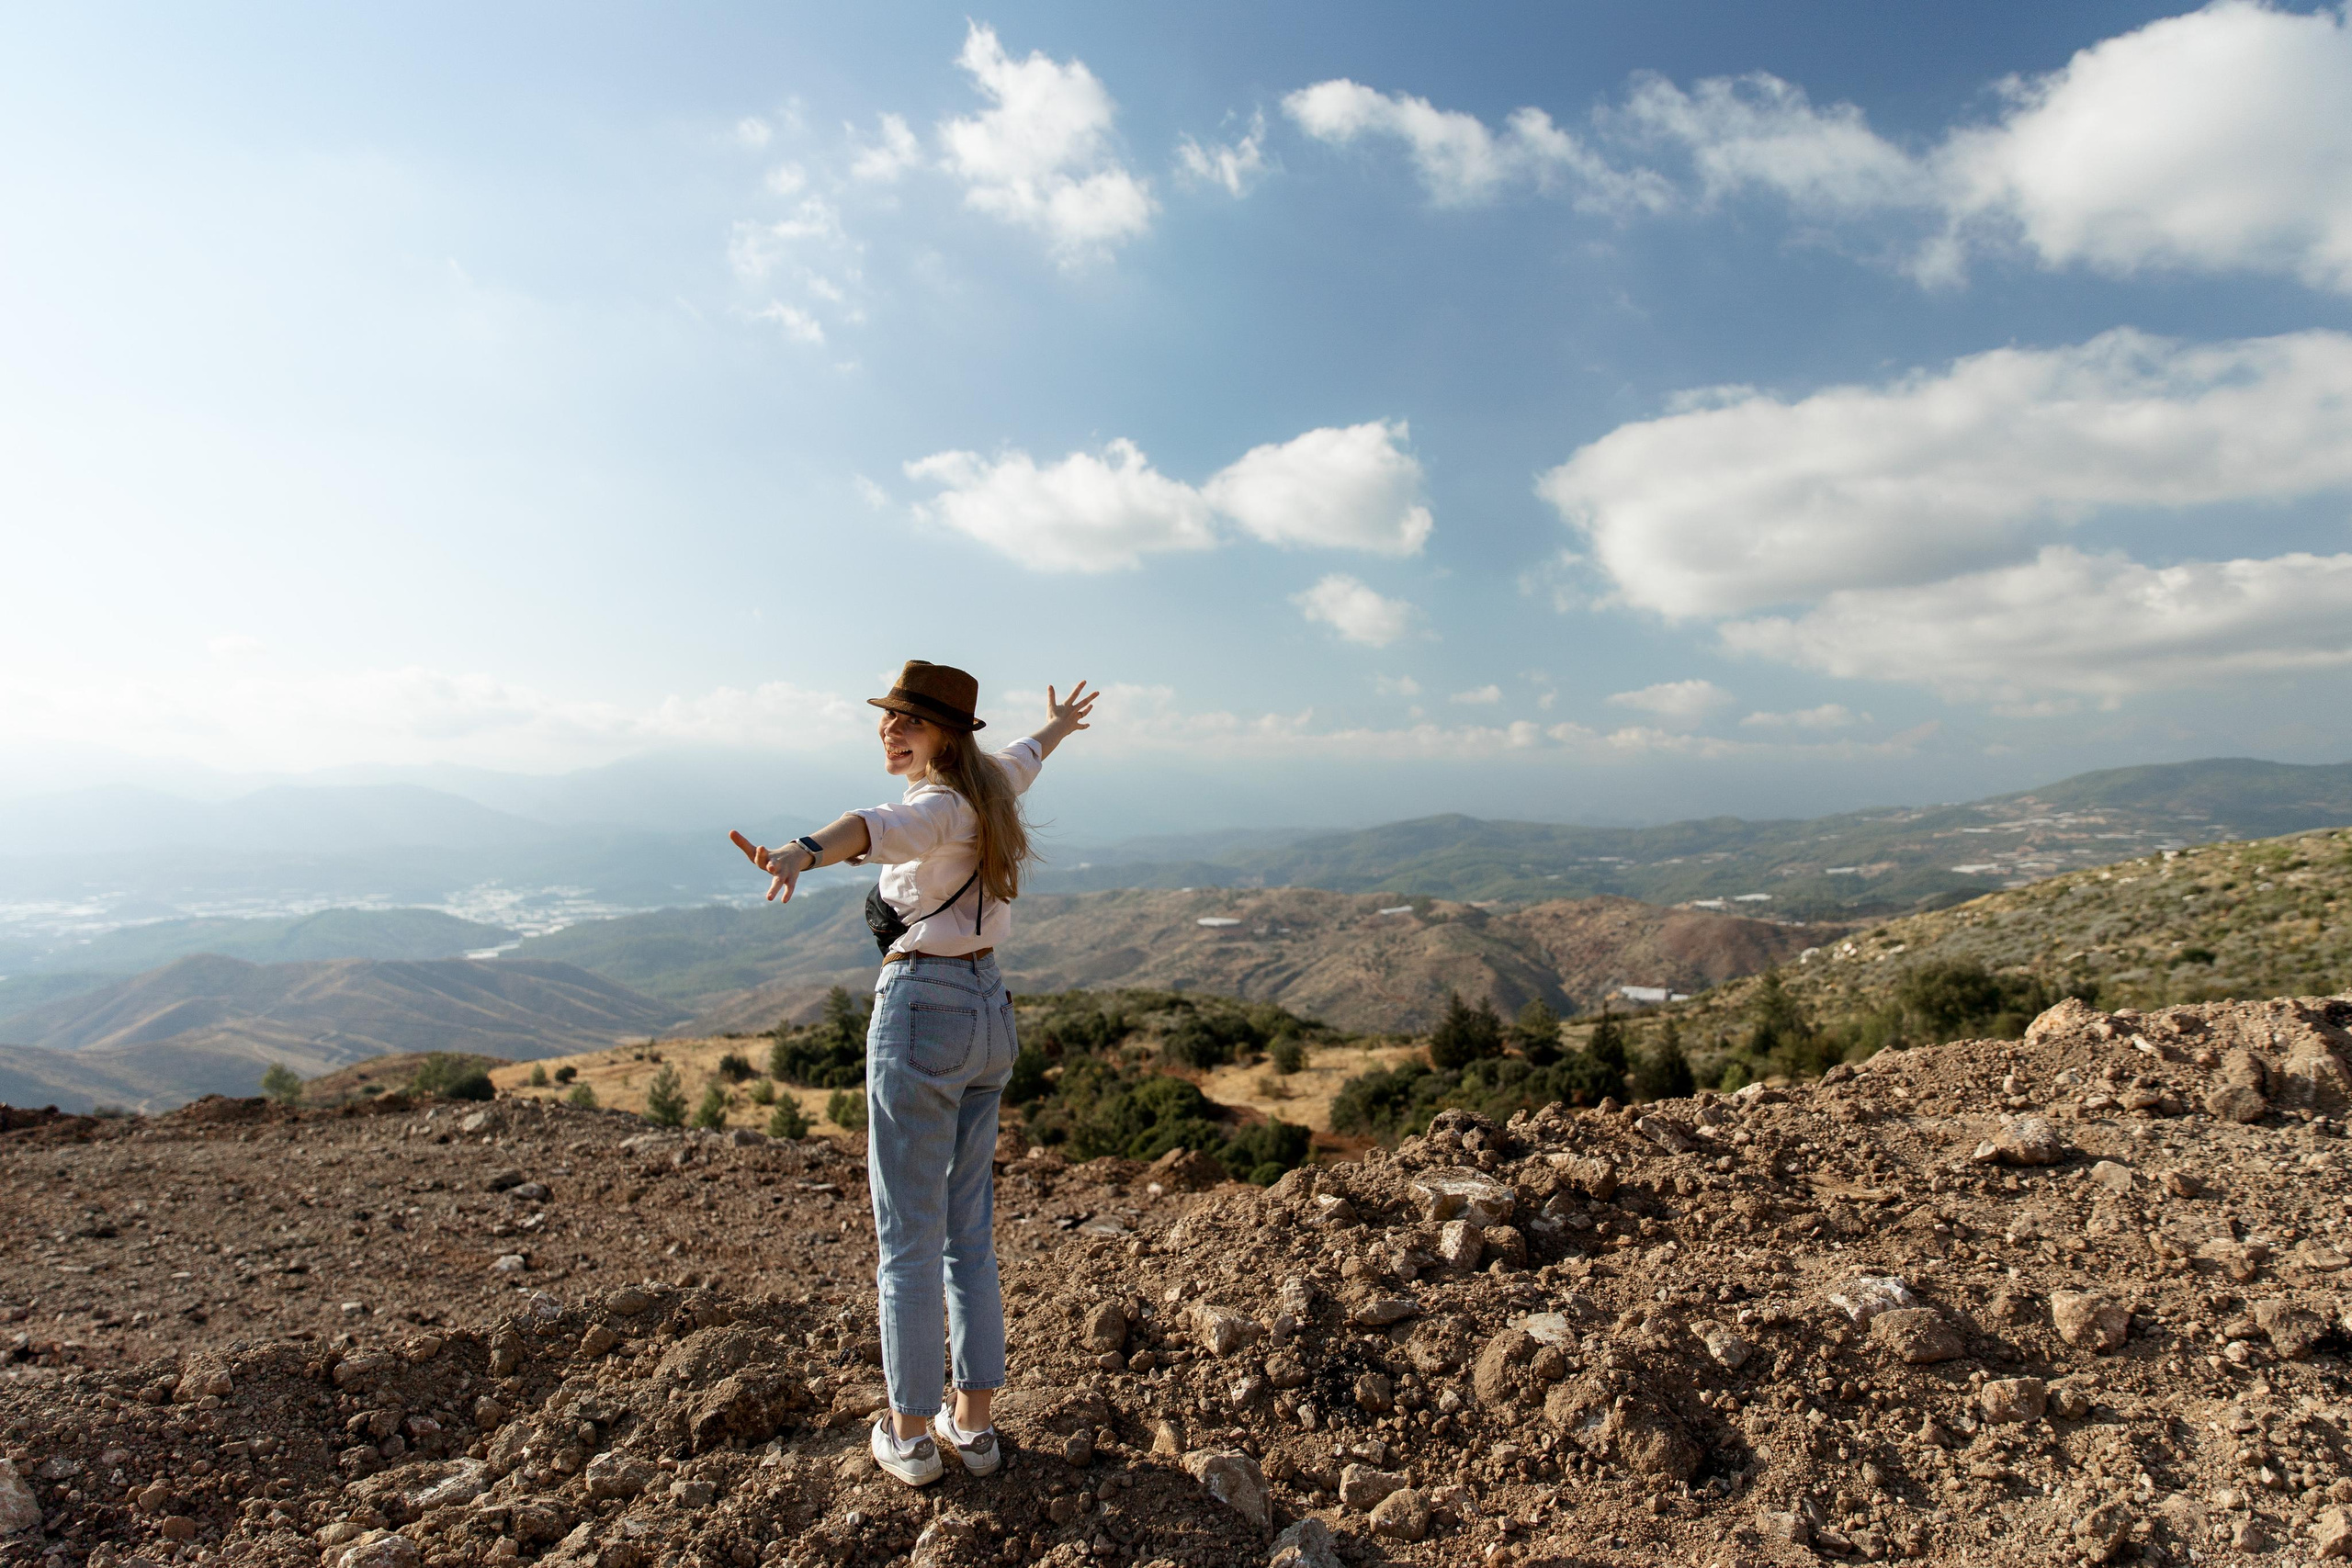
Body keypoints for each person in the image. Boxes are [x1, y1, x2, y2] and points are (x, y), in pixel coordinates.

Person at [729, 660, 1096, 1486]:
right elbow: (1027, 754)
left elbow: (871, 823)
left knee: (908, 1238)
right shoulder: (992, 781)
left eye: (910, 721)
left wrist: (800, 850)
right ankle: (974, 1427)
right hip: (990, 1009)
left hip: (923, 1008)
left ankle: (909, 1434)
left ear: (947, 735)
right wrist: (1059, 727)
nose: (891, 730)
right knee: (968, 1232)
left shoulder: (935, 803)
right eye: (889, 718)